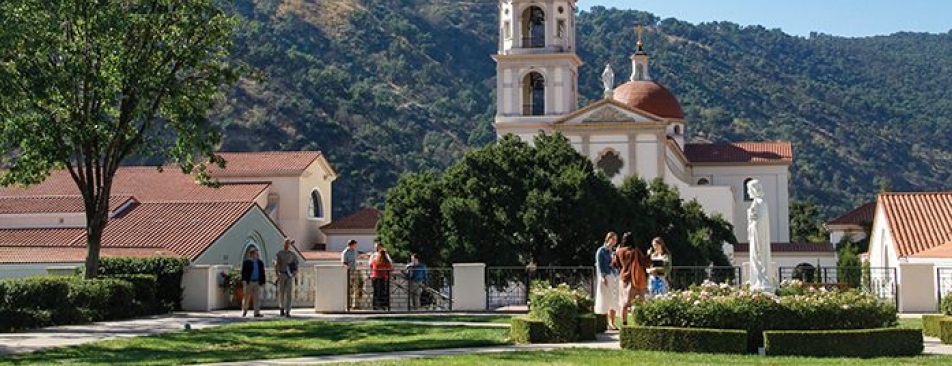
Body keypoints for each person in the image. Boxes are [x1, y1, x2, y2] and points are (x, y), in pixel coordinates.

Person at [612, 232, 650, 326]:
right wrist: (649, 254)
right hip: (634, 279)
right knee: (638, 301)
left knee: (624, 302)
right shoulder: (635, 251)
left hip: (623, 279)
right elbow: (644, 263)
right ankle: (639, 322)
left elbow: (614, 264)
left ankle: (624, 323)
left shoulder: (619, 251)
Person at [595, 232, 620, 330]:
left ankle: (612, 323)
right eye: (613, 239)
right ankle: (604, 324)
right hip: (606, 277)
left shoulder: (613, 252)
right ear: (608, 239)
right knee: (605, 300)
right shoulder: (601, 251)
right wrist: (602, 276)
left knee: (614, 300)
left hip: (614, 276)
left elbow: (616, 264)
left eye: (615, 240)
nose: (614, 241)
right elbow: (599, 265)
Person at [275, 238, 299, 317]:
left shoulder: (292, 255)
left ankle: (288, 311)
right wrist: (277, 274)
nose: (287, 245)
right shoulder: (280, 253)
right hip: (282, 274)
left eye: (288, 244)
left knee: (289, 294)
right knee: (281, 293)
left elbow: (296, 265)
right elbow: (277, 264)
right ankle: (281, 307)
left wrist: (295, 272)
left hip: (289, 275)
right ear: (283, 244)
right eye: (286, 244)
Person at [240, 248, 266, 317]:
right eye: (256, 254)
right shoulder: (246, 262)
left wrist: (263, 282)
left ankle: (256, 313)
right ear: (251, 254)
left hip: (257, 282)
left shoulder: (260, 263)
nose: (257, 255)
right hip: (249, 282)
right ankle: (245, 311)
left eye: (257, 254)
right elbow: (243, 272)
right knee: (246, 297)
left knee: (257, 298)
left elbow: (262, 272)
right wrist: (244, 281)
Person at [341, 239, 359, 309]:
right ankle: (348, 305)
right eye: (355, 245)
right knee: (349, 288)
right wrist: (349, 270)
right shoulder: (345, 252)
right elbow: (344, 263)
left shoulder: (354, 251)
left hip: (355, 271)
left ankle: (355, 305)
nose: (355, 246)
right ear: (351, 245)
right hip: (349, 272)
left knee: (356, 288)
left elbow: (355, 259)